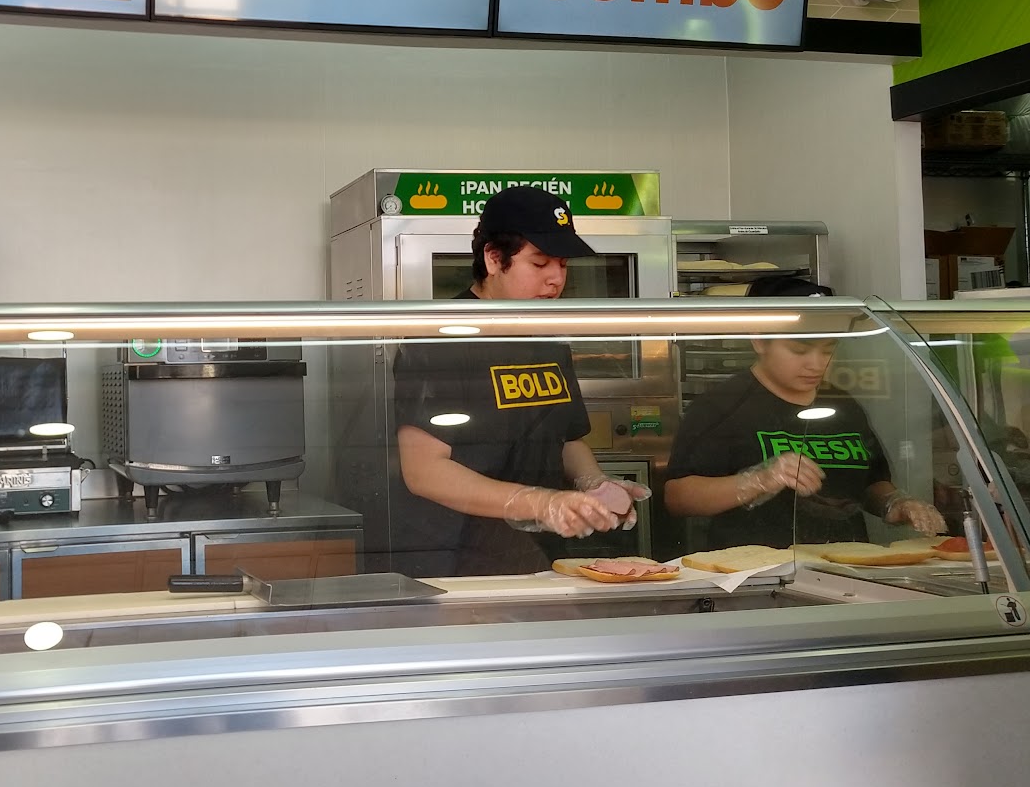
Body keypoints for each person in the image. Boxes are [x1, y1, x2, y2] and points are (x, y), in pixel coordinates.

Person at [391, 186, 646, 576]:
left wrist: (592, 483)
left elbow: (566, 438)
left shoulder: (547, 337)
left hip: (538, 552)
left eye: (562, 264)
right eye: (540, 263)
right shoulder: (439, 337)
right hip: (455, 558)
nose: (556, 280)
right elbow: (424, 471)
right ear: (494, 258)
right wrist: (540, 503)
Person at [664, 277, 946, 548]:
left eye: (827, 350)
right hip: (758, 571)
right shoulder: (721, 407)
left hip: (842, 566)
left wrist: (895, 504)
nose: (816, 364)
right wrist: (758, 480)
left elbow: (871, 482)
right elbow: (678, 498)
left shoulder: (844, 406)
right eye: (800, 350)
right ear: (758, 340)